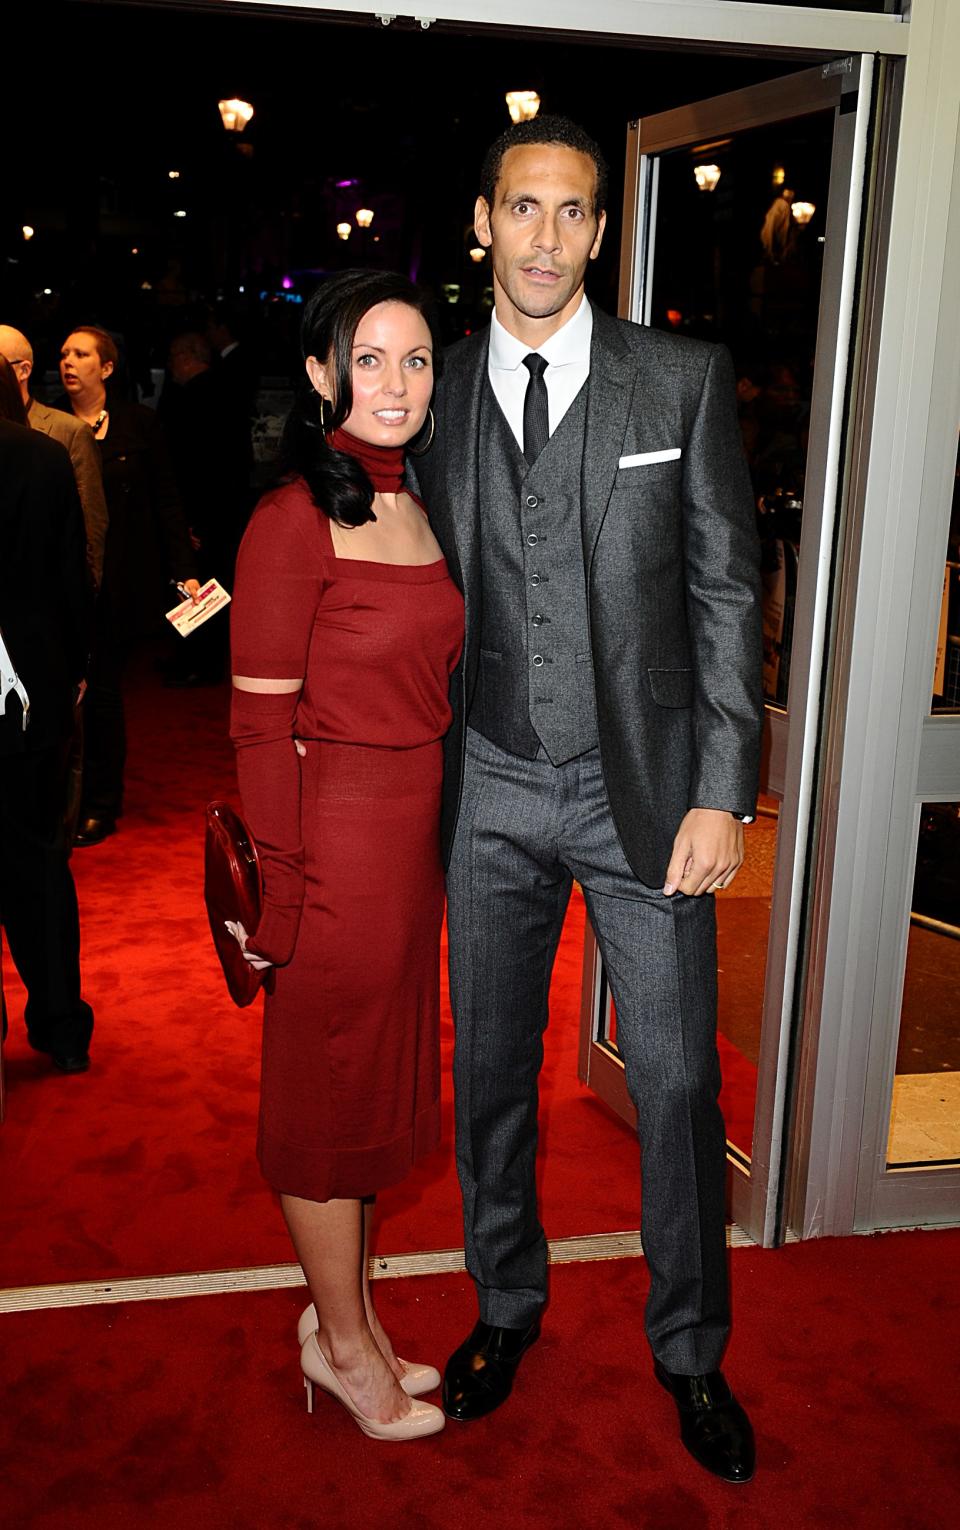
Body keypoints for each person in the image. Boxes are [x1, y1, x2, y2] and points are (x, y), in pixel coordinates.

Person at [410, 116, 764, 1483]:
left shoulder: (676, 380)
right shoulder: (428, 394)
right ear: (483, 226)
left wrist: (725, 789)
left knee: (674, 1082)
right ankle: (506, 1302)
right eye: (524, 208)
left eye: (573, 212)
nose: (547, 235)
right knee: (489, 1067)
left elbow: (729, 590)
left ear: (601, 233)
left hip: (646, 796)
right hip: (485, 782)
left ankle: (690, 1348)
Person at [228, 270, 462, 1441]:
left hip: (408, 851)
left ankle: (340, 1325)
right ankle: (347, 1352)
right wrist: (281, 894)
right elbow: (259, 722)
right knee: (325, 1106)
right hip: (330, 850)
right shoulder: (287, 520)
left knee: (369, 1091)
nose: (395, 382)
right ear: (322, 374)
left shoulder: (419, 505)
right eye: (368, 358)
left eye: (415, 359)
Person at [58, 326, 199, 846]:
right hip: (61, 580)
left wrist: (184, 568)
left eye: (81, 354)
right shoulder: (46, 424)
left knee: (102, 692)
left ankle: (100, 801)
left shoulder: (139, 424)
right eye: (64, 354)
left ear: (108, 367)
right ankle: (64, 796)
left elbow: (166, 500)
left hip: (118, 579)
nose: (69, 362)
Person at [0, 419, 95, 1073]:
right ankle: (62, 1028)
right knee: (35, 863)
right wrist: (75, 668)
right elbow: (72, 578)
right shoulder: (40, 455)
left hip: (29, 688)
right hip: (30, 692)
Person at [0, 324, 109, 588]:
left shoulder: (67, 431)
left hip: (45, 591)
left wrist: (83, 596)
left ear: (23, 370)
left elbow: (90, 525)